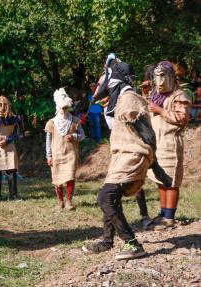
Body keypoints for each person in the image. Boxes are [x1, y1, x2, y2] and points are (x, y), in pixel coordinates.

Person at [82, 61, 155, 260]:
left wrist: (152, 161)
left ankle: (132, 244)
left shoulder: (129, 97)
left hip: (132, 155)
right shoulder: (120, 98)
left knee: (105, 197)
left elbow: (147, 133)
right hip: (121, 155)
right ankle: (107, 241)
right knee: (109, 197)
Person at [146, 61, 192, 230]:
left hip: (170, 143)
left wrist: (159, 110)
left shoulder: (180, 95)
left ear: (171, 76)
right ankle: (163, 213)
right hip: (157, 143)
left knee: (171, 180)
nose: (159, 80)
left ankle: (169, 217)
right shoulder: (157, 95)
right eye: (156, 76)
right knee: (160, 179)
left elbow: (182, 119)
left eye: (162, 75)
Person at [45, 88, 85, 210]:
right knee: (57, 178)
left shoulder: (75, 120)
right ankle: (60, 201)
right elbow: (48, 141)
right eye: (62, 108)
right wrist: (49, 156)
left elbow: (82, 136)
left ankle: (69, 201)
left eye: (66, 108)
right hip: (56, 154)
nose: (64, 110)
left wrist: (73, 136)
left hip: (71, 154)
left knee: (70, 177)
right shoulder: (51, 123)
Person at [0, 96, 20, 200]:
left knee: (11, 171)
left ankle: (13, 195)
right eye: (0, 104)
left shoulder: (13, 118)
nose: (2, 107)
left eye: (5, 105)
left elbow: (16, 133)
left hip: (9, 146)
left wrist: (7, 140)